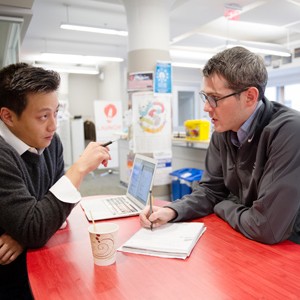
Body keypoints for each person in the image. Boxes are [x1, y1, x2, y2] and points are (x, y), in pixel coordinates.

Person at [140, 46, 300, 245]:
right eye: (205, 97)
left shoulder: (289, 131)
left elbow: (266, 226)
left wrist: (223, 205)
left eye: (215, 98)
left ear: (250, 96)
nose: (207, 107)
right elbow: (210, 191)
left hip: (289, 248)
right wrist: (173, 210)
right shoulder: (224, 129)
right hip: (247, 236)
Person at [0, 63, 111, 299]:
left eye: (55, 113)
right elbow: (37, 225)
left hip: (37, 257)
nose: (53, 125)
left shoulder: (51, 142)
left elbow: (50, 214)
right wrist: (79, 168)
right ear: (8, 116)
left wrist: (24, 233)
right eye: (43, 116)